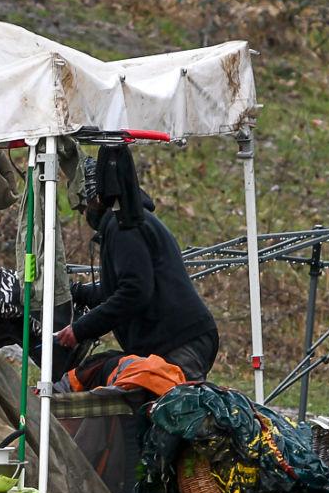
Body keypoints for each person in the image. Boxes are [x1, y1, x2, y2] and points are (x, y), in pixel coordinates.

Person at [55, 149, 218, 380]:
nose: (84, 213)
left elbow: (134, 292)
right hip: (177, 338)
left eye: (84, 206)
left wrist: (80, 330)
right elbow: (119, 289)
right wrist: (75, 293)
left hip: (179, 341)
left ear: (97, 198)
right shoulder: (130, 220)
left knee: (156, 397)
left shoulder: (124, 226)